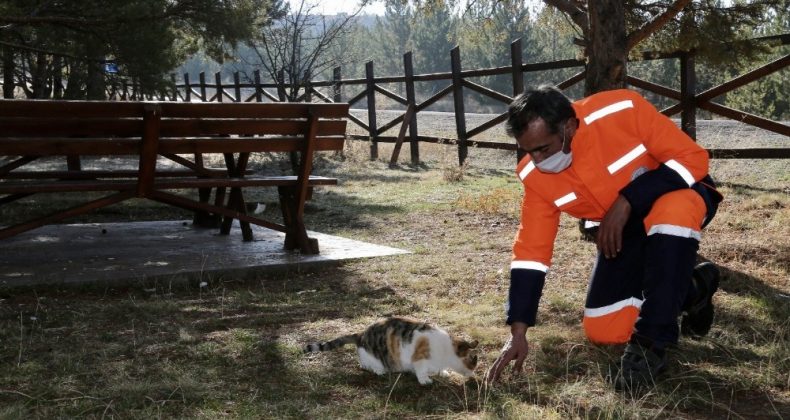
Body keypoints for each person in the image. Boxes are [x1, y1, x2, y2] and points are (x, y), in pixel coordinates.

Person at [486, 86, 723, 390]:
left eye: (543, 149)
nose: (536, 160)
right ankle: (694, 288)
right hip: (626, 231)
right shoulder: (535, 177)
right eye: (527, 151)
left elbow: (692, 158)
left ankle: (651, 344)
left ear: (569, 127)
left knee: (673, 210)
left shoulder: (621, 109)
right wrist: (518, 331)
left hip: (679, 193)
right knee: (604, 328)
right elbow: (531, 252)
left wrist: (627, 200)